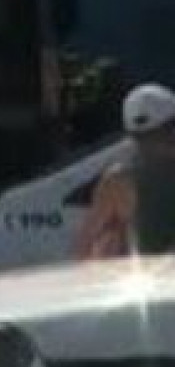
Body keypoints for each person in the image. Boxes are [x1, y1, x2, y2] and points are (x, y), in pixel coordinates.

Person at [75, 82, 175, 260]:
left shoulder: (118, 180)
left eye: (162, 133)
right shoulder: (118, 181)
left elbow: (84, 247)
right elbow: (86, 247)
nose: (154, 145)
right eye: (145, 138)